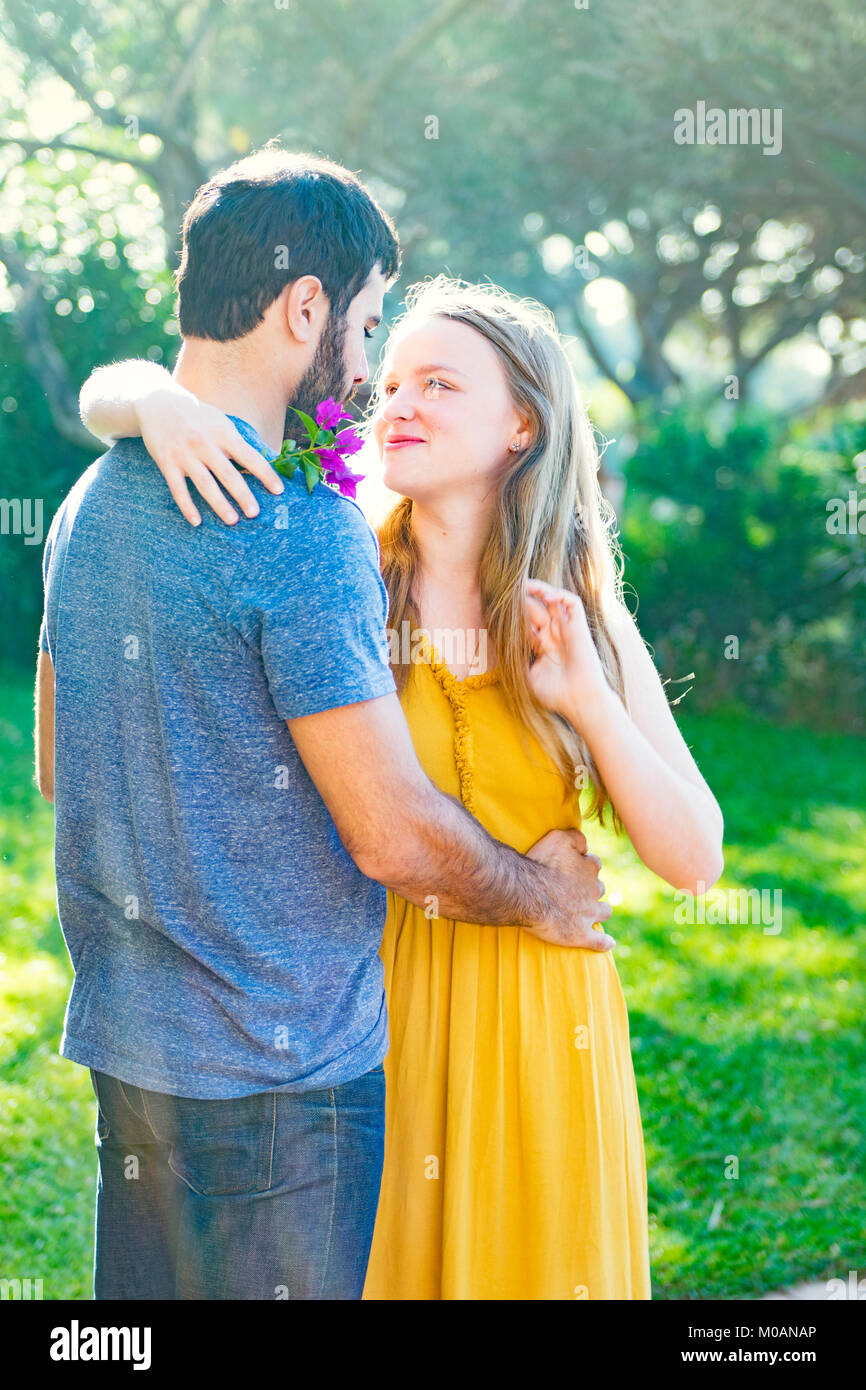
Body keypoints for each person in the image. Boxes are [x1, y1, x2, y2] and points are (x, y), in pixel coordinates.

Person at [35, 152, 612, 1303]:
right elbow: (391, 836)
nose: (366, 365)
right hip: (282, 1088)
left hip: (131, 1062)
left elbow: (57, 765)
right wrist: (541, 894)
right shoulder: (298, 530)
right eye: (363, 324)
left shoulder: (88, 505)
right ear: (304, 306)